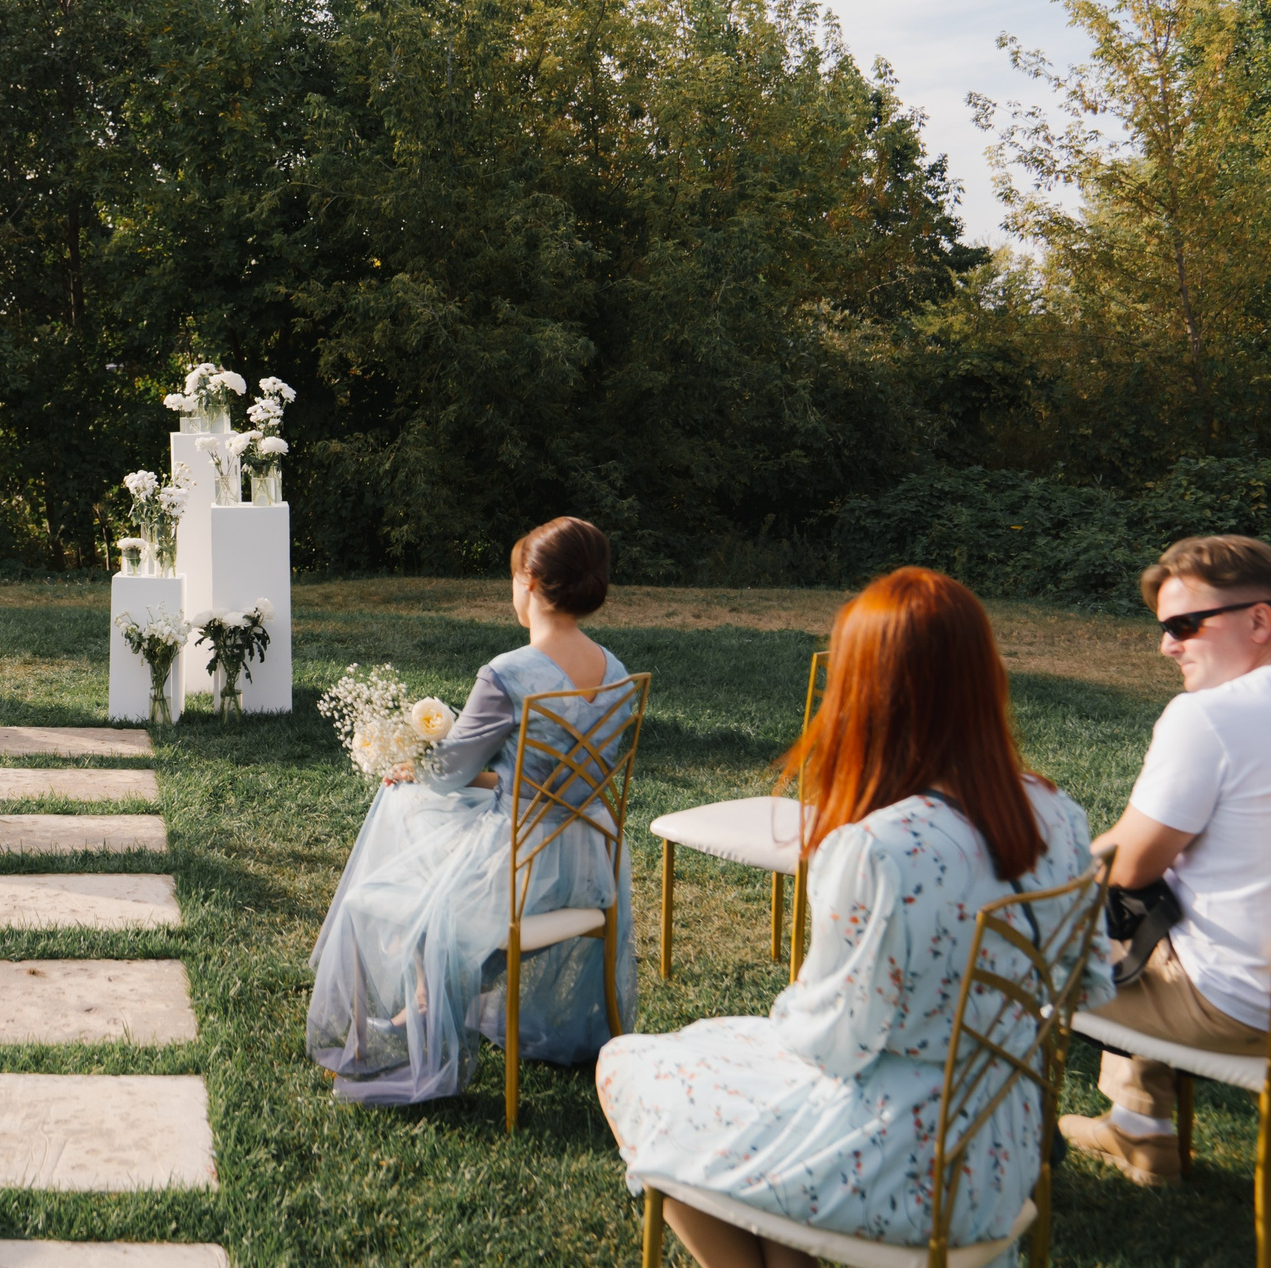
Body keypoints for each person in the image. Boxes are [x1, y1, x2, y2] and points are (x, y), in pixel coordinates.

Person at [596, 568, 1106, 1268]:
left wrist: (782, 1029)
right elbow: (1088, 984)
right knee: (720, 1062)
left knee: (631, 1069)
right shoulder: (1061, 815)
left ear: (866, 690)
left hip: (904, 1164)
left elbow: (835, 1041)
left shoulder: (878, 847)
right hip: (1003, 1146)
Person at [304, 516, 639, 1105]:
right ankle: (423, 1005)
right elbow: (550, 779)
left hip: (522, 872)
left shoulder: (507, 674)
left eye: (513, 578)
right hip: (591, 865)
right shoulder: (616, 673)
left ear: (530, 581)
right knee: (430, 841)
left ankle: (397, 1032)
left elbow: (450, 775)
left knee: (384, 856)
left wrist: (415, 763)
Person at [1059, 533, 1271, 1186]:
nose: (1166, 644)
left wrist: (1036, 867)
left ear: (1260, 619)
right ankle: (1139, 1124)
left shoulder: (1209, 717)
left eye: (1185, 624)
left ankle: (981, 1162)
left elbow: (1127, 866)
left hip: (1240, 1006)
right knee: (1162, 919)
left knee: (1016, 951)